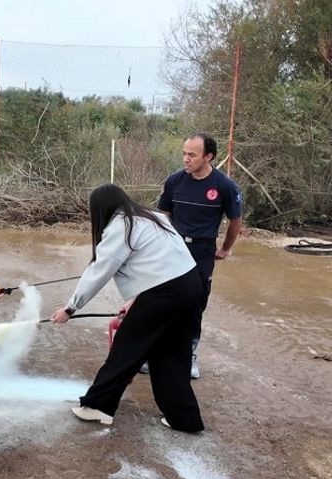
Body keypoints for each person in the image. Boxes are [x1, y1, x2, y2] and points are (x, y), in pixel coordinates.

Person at [51, 184, 205, 433]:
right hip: (190, 285)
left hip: (165, 292)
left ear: (100, 209)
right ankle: (184, 419)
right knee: (171, 353)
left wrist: (70, 308)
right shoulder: (152, 216)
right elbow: (161, 259)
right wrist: (138, 298)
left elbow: (98, 272)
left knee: (126, 348)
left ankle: (98, 406)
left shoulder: (120, 227)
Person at [154, 132, 242, 379]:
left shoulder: (224, 186)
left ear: (208, 157)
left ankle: (188, 355)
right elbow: (163, 217)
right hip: (173, 249)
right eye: (184, 154)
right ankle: (156, 353)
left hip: (202, 252)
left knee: (194, 305)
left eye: (192, 155)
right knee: (163, 302)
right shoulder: (174, 181)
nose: (185, 159)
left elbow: (235, 221)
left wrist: (225, 249)